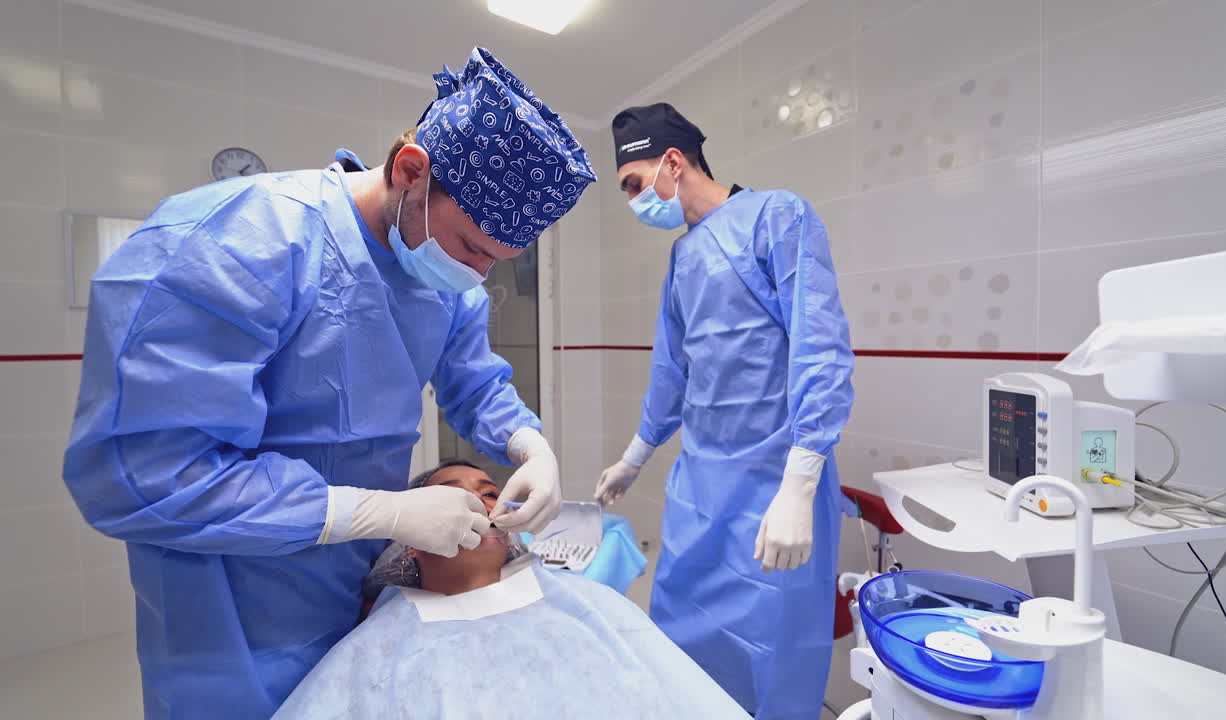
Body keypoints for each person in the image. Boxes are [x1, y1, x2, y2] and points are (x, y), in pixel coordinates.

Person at [62, 47, 596, 720]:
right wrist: (378, 513)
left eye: (498, 261)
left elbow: (473, 381)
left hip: (349, 588)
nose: (477, 275)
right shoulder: (240, 243)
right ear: (410, 172)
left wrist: (529, 445)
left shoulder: (444, 283)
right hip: (229, 612)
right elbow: (140, 474)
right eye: (471, 247)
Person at [595, 102, 855, 719]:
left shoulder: (777, 216)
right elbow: (672, 369)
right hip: (700, 488)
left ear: (672, 162)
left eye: (633, 184)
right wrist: (634, 457)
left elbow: (819, 348)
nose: (632, 202)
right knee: (682, 636)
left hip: (773, 487)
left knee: (771, 653)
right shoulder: (683, 256)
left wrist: (799, 484)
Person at [273, 461, 752, 720]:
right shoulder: (377, 647)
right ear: (411, 543)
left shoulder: (587, 605)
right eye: (452, 495)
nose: (480, 503)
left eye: (489, 492)